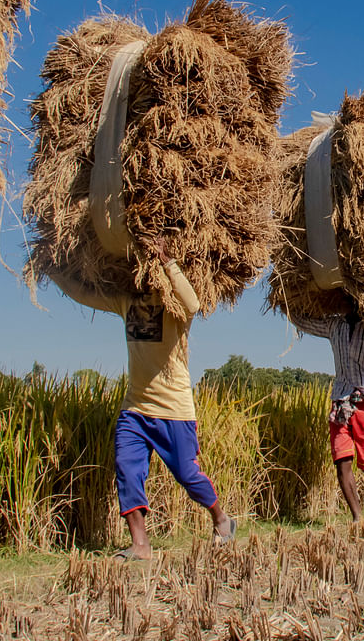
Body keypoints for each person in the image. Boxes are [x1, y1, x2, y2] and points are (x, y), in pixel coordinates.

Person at [108, 239, 234, 560]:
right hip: (134, 408)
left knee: (186, 473)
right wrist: (57, 269)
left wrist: (168, 261)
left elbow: (193, 304)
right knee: (127, 469)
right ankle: (140, 545)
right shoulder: (127, 301)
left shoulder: (175, 308)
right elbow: (89, 294)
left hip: (174, 409)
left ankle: (221, 518)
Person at [290, 270, 364, 523]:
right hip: (341, 401)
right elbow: (304, 322)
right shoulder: (335, 326)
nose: (350, 302)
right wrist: (289, 296)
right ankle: (358, 518)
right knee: (342, 463)